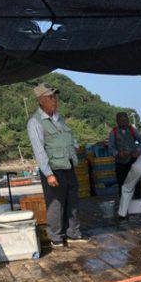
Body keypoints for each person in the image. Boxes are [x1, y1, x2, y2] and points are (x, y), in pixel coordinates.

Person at [27, 83, 88, 247]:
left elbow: (70, 138)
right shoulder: (35, 122)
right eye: (50, 97)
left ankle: (73, 234)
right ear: (41, 101)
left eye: (55, 97)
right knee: (56, 204)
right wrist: (48, 174)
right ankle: (56, 238)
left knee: (72, 200)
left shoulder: (59, 118)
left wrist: (76, 146)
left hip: (68, 166)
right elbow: (39, 150)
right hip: (53, 169)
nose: (54, 100)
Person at [108, 112, 141, 194]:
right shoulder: (113, 132)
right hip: (120, 164)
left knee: (137, 185)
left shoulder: (132, 130)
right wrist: (117, 153)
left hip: (133, 161)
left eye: (126, 120)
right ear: (117, 121)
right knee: (122, 185)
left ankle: (138, 203)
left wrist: (138, 150)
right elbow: (110, 148)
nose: (124, 122)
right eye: (122, 120)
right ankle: (124, 205)